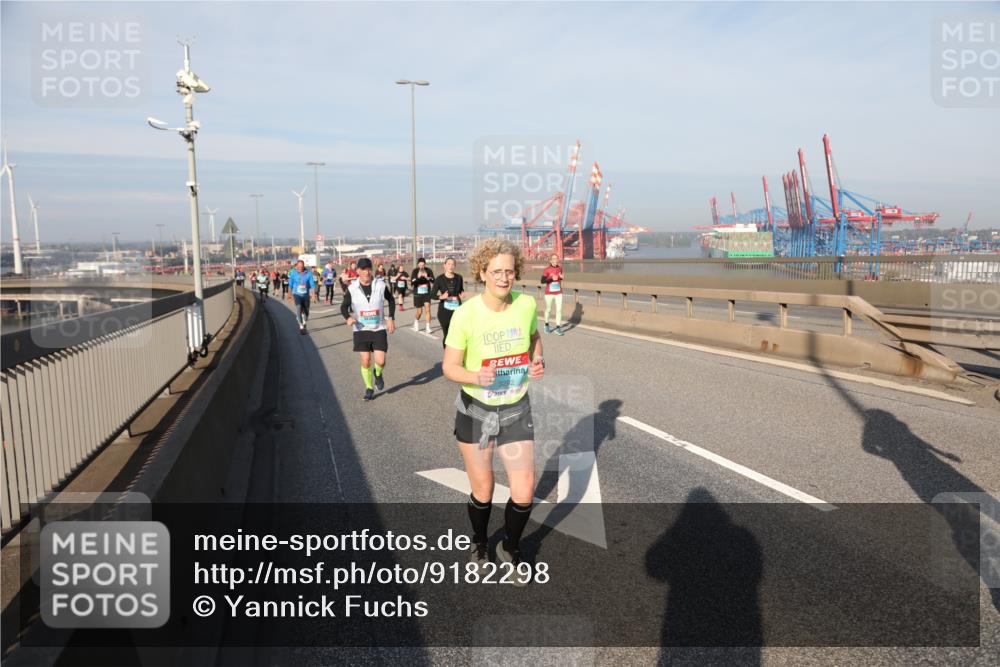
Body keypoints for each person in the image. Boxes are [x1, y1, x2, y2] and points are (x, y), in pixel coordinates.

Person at [442, 238, 544, 585]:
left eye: (509, 271)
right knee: (483, 488)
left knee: (524, 488)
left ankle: (512, 548)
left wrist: (536, 359)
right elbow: (449, 367)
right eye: (496, 271)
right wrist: (476, 375)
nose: (504, 278)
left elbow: (533, 337)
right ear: (482, 272)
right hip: (476, 410)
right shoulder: (466, 314)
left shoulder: (526, 304)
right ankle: (480, 543)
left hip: (516, 407)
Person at [341, 257, 396, 401]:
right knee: (365, 360)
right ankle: (369, 388)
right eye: (363, 269)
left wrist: (391, 318)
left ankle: (378, 374)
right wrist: (348, 317)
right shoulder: (352, 288)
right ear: (358, 271)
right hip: (361, 328)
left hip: (379, 327)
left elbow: (391, 300)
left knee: (381, 361)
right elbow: (343, 306)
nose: (366, 272)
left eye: (368, 269)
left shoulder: (380, 285)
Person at [433, 257, 465, 349]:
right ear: (444, 266)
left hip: (457, 310)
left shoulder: (459, 278)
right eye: (448, 264)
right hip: (444, 311)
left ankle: (456, 355)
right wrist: (441, 297)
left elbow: (460, 289)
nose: (450, 266)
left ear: (455, 266)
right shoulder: (439, 279)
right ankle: (447, 355)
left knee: (457, 333)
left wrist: (461, 294)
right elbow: (432, 295)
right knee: (447, 334)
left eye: (452, 264)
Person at [289, 260, 317, 334]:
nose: (300, 268)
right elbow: (290, 285)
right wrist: (289, 295)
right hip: (296, 294)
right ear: (297, 266)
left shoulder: (309, 273)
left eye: (301, 266)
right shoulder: (293, 273)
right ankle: (301, 326)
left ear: (304, 266)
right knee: (298, 307)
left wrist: (313, 295)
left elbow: (312, 285)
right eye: (299, 266)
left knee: (306, 312)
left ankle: (304, 320)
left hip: (306, 295)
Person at [541, 253, 565, 335]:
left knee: (559, 310)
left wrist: (561, 278)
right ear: (550, 260)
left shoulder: (560, 268)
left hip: (558, 292)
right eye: (553, 259)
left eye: (556, 259)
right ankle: (546, 325)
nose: (555, 260)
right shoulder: (547, 269)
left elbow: (560, 278)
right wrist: (551, 278)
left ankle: (558, 328)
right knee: (548, 309)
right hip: (549, 293)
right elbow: (542, 281)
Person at [410, 257, 435, 333]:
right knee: (419, 312)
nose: (421, 266)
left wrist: (427, 277)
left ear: (425, 265)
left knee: (427, 309)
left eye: (423, 265)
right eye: (420, 265)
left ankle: (428, 327)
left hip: (426, 293)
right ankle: (416, 322)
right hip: (418, 293)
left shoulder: (428, 270)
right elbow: (412, 282)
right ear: (418, 265)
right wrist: (418, 277)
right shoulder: (415, 271)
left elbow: (434, 280)